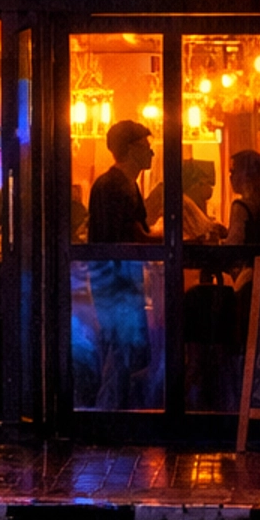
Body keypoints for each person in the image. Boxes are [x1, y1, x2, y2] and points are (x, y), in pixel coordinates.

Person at [86, 121, 154, 411]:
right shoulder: (115, 186)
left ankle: (112, 411)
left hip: (116, 276)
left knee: (122, 346)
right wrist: (171, 235)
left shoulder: (122, 184)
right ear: (130, 150)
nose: (152, 152)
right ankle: (108, 414)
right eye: (145, 146)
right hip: (116, 278)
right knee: (122, 346)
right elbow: (133, 235)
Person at [226, 150, 260, 249]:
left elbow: (233, 245)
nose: (230, 177)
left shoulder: (241, 207)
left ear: (244, 175)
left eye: (233, 172)